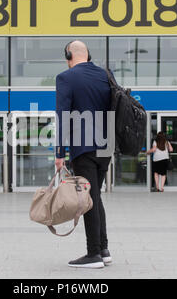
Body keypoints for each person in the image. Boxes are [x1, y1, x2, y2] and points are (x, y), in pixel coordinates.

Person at [55, 40, 112, 269]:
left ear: (68, 55)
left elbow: (62, 117)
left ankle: (93, 254)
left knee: (88, 199)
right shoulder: (106, 75)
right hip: (106, 146)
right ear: (88, 55)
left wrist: (59, 153)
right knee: (95, 195)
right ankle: (104, 249)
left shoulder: (65, 78)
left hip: (83, 146)